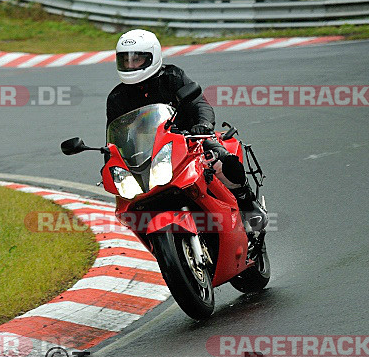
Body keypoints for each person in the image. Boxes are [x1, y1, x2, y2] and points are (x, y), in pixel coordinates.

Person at [106, 29, 267, 232]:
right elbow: (115, 136)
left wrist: (204, 126)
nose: (131, 65)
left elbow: (199, 104)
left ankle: (247, 203)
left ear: (152, 57)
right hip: (149, 153)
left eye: (137, 59)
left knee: (222, 160)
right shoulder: (116, 98)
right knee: (130, 199)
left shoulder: (172, 77)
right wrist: (112, 160)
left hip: (189, 139)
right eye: (126, 60)